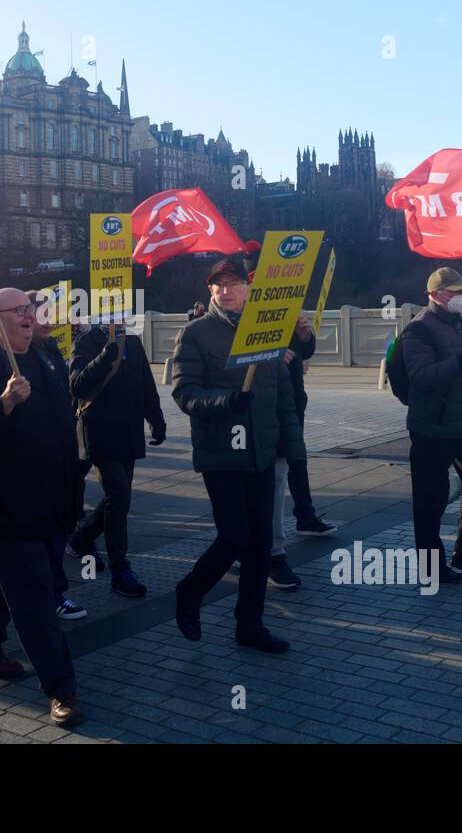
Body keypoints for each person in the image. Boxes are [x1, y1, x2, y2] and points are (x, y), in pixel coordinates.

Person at [0, 287, 84, 727]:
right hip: (9, 508)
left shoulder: (45, 355)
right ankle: (61, 688)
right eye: (20, 312)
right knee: (35, 597)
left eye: (31, 310)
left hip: (54, 499)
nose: (31, 317)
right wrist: (4, 403)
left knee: (20, 583)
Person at [171, 256, 305, 654]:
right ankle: (190, 591)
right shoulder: (195, 334)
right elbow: (184, 393)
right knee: (234, 537)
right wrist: (229, 400)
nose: (226, 290)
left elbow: (283, 395)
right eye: (218, 284)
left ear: (248, 288)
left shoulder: (265, 329)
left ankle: (250, 624)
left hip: (261, 453)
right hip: (222, 451)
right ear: (209, 290)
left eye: (233, 283)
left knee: (261, 542)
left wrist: (293, 449)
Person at [400, 266, 462, 584]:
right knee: (431, 501)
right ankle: (431, 567)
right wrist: (460, 363)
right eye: (456, 292)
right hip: (432, 429)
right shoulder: (418, 330)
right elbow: (422, 378)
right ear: (436, 295)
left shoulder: (459, 323)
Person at [67, 317, 165, 598]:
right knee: (120, 496)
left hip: (128, 432)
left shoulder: (132, 341)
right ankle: (120, 570)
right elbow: (77, 386)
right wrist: (103, 357)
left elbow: (146, 383)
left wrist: (157, 420)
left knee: (118, 498)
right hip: (98, 432)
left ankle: (83, 537)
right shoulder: (86, 342)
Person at [265, 310, 337, 589]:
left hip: (292, 399)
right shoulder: (240, 318)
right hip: (258, 408)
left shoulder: (286, 308)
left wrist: (306, 336)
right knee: (267, 478)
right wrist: (269, 355)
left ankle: (304, 516)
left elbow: (303, 351)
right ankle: (265, 550)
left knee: (293, 462)